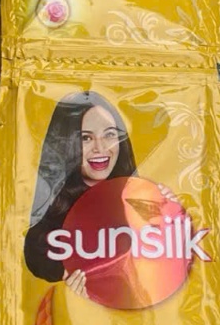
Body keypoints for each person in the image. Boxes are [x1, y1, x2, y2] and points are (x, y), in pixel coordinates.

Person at [23, 91, 139, 295]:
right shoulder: (44, 214)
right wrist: (69, 299)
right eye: (86, 138)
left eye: (110, 134)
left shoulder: (138, 197)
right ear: (64, 144)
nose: (100, 148)